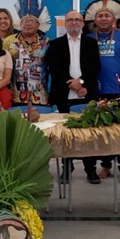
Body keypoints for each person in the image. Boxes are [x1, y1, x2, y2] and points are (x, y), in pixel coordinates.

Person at [44, 10, 101, 184]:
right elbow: (54, 68)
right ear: (65, 24)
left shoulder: (92, 43)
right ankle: (67, 168)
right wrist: (72, 83)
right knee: (65, 135)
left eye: (77, 20)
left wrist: (81, 83)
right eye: (70, 20)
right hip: (63, 94)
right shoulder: (55, 44)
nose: (74, 23)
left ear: (83, 23)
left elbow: (95, 67)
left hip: (86, 94)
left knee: (88, 134)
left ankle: (90, 169)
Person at [88, 6, 120, 179]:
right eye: (99, 16)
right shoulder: (88, 39)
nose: (103, 18)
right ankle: (105, 165)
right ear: (94, 21)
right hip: (97, 93)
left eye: (107, 15)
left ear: (113, 20)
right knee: (101, 134)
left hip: (118, 92)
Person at [3, 15, 49, 106]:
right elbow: (2, 66)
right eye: (25, 21)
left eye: (32, 21)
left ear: (38, 24)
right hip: (15, 95)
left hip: (40, 96)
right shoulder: (9, 41)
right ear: (20, 24)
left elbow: (51, 69)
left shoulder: (46, 42)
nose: (28, 24)